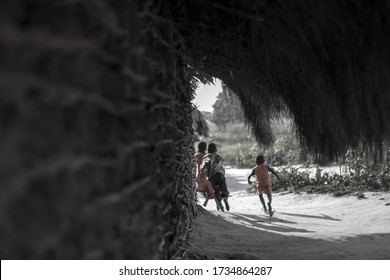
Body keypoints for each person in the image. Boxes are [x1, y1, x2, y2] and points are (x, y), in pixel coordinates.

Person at [200, 143, 230, 211]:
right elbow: (222, 160)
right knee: (224, 189)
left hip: (212, 176)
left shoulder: (207, 157)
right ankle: (225, 198)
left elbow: (204, 166)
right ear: (216, 150)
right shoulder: (218, 156)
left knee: (216, 191)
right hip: (220, 174)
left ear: (208, 150)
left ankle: (220, 206)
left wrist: (202, 171)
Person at [194, 142, 214, 207]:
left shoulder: (196, 156)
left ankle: (205, 198)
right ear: (205, 148)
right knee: (208, 187)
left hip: (198, 173)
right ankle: (207, 200)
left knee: (200, 188)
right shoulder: (206, 155)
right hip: (206, 173)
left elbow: (196, 166)